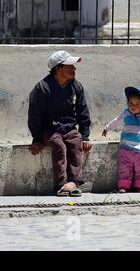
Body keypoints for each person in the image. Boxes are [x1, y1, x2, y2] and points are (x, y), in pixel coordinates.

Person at [28, 50, 92, 196]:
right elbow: (35, 115)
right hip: (49, 130)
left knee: (76, 143)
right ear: (58, 68)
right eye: (70, 65)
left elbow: (83, 111)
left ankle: (74, 182)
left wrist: (85, 136)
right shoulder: (42, 88)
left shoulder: (76, 86)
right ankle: (61, 184)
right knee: (58, 146)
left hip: (69, 128)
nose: (74, 69)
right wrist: (37, 139)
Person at [102, 86, 140, 193]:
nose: (133, 106)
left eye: (137, 104)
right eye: (131, 103)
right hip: (125, 148)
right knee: (124, 168)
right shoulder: (126, 114)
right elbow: (116, 121)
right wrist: (107, 127)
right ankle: (124, 186)